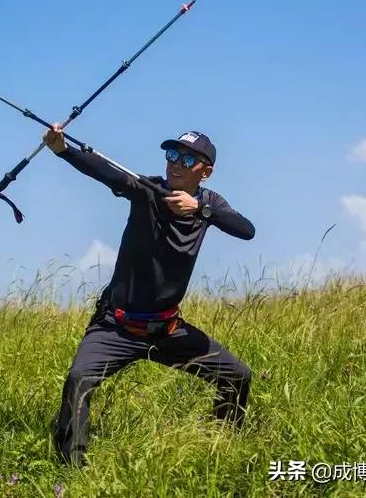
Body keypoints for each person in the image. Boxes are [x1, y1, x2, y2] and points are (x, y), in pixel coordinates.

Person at [44, 126, 256, 467]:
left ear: (206, 171)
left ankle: (222, 444)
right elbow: (105, 171)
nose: (177, 164)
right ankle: (71, 471)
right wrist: (63, 149)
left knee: (237, 375)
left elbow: (246, 230)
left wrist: (199, 209)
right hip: (116, 326)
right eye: (172, 155)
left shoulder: (210, 204)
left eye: (188, 159)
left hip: (168, 330)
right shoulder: (147, 189)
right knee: (78, 380)